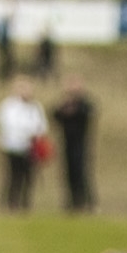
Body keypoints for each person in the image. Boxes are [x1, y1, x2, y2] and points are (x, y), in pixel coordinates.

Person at [0, 74, 45, 213]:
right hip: (12, 146)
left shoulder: (35, 107)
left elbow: (41, 126)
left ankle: (25, 204)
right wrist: (28, 131)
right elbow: (9, 125)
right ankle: (11, 203)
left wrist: (35, 135)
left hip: (29, 147)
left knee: (28, 178)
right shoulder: (8, 106)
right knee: (13, 176)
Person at [51, 75, 94, 212]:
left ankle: (87, 202)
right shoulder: (65, 103)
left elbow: (87, 113)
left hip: (81, 144)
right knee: (68, 174)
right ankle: (72, 202)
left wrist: (73, 110)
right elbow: (55, 114)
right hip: (67, 143)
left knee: (82, 173)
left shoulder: (84, 104)